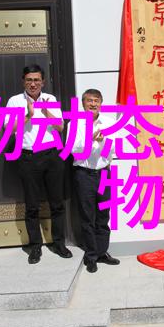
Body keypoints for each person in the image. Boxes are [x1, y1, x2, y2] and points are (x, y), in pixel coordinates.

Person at [6, 64, 72, 264]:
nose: (33, 84)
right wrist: (28, 114)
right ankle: (35, 246)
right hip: (28, 157)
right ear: (23, 82)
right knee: (32, 206)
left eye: (36, 80)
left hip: (51, 156)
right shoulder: (14, 101)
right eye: (29, 80)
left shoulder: (50, 99)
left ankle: (59, 243)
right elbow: (9, 130)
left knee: (57, 203)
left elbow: (60, 127)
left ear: (42, 82)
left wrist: (45, 112)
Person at [70, 89, 120, 273]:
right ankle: (91, 256)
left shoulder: (109, 122)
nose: (93, 104)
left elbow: (113, 148)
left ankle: (102, 252)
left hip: (105, 173)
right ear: (83, 104)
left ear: (101, 103)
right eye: (89, 101)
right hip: (84, 174)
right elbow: (72, 149)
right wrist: (90, 139)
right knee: (87, 216)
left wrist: (104, 140)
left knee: (104, 215)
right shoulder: (75, 123)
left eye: (96, 101)